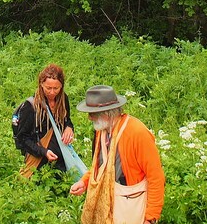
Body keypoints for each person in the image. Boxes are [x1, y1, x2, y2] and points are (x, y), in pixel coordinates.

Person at [69, 85, 164, 224]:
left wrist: (150, 218)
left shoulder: (137, 133)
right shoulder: (101, 131)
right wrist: (84, 182)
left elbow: (156, 177)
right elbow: (102, 167)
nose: (89, 118)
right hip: (107, 206)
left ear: (107, 113)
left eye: (92, 114)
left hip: (130, 205)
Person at [13, 64, 76, 176]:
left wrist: (69, 128)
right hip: (38, 162)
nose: (52, 92)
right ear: (41, 84)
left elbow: (67, 120)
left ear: (62, 86)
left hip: (61, 158)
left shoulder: (63, 99)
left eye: (56, 88)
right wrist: (43, 152)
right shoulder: (31, 106)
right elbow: (23, 138)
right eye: (48, 88)